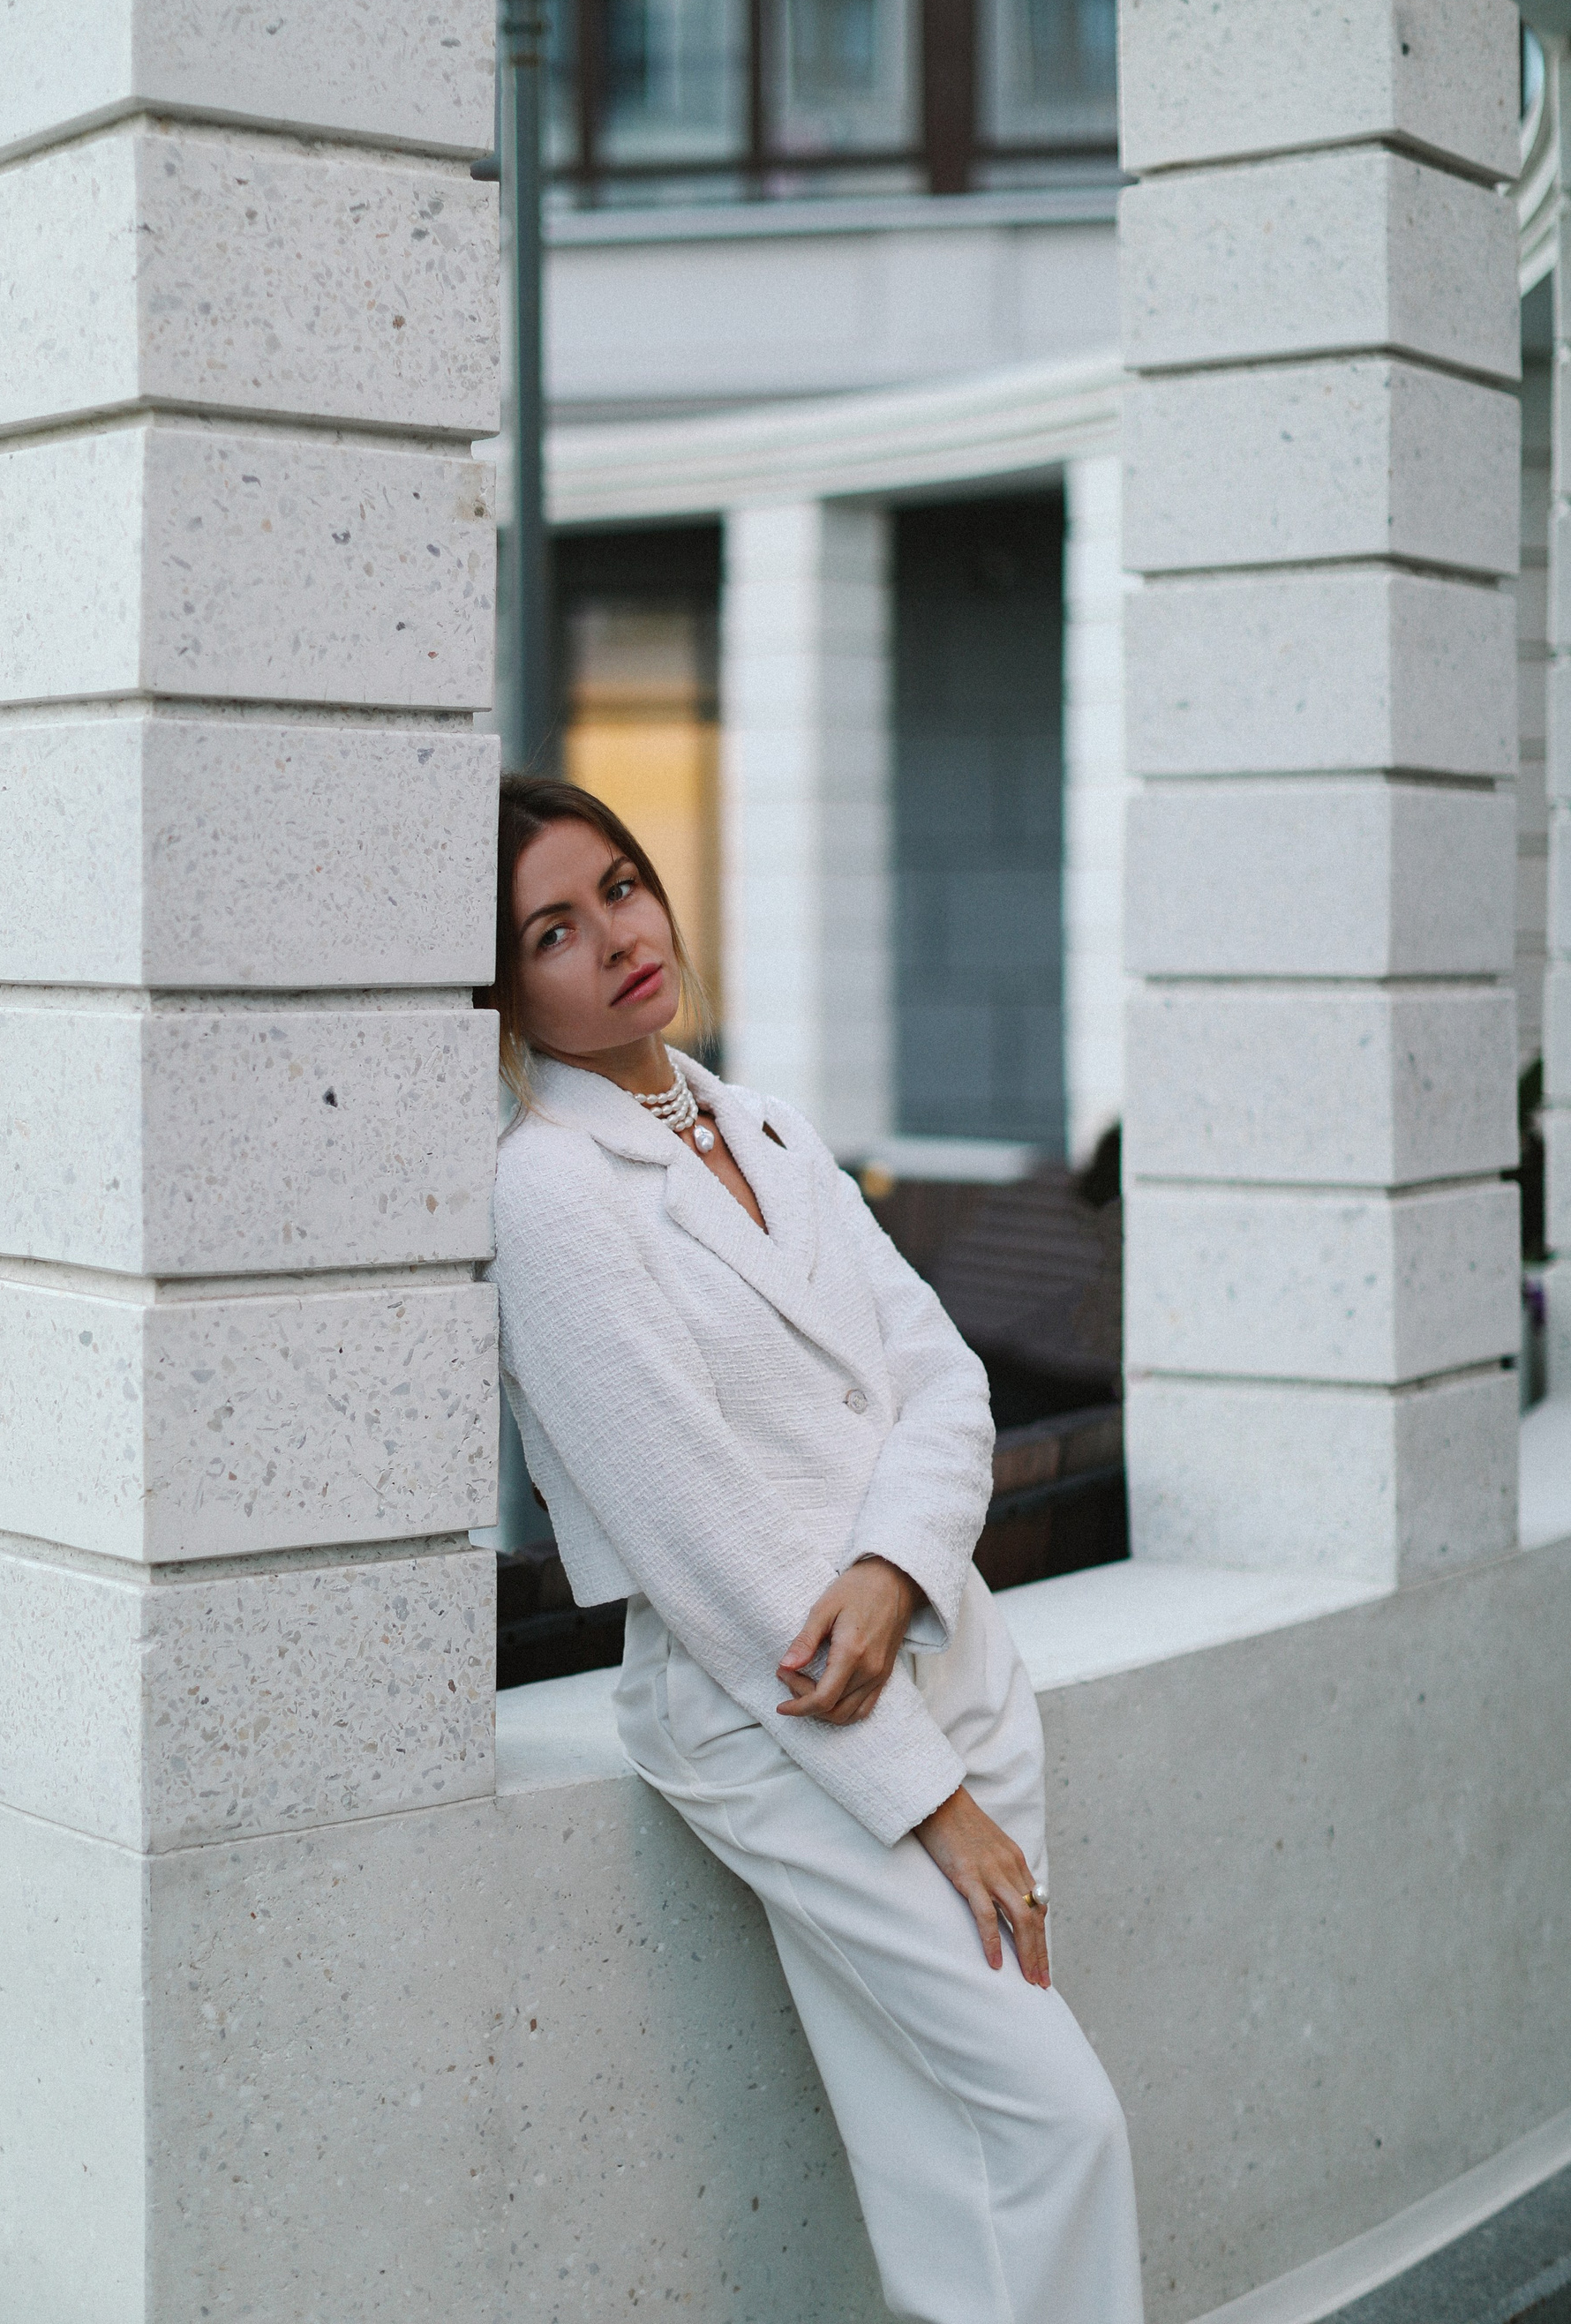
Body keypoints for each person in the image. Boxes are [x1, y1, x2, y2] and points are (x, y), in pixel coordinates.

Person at [482, 772, 1143, 2324]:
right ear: (505, 992)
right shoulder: (550, 1191)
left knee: (950, 2154)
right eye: (553, 932)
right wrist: (933, 1807)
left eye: (621, 887)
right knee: (1056, 2123)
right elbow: (695, 1530)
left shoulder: (761, 1124)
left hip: (953, 1662)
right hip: (783, 1720)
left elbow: (944, 1378)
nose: (617, 938)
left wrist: (895, 1565)